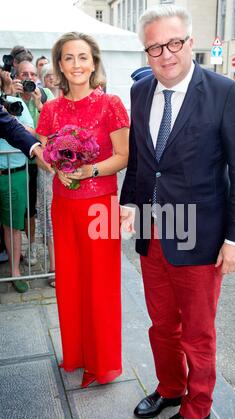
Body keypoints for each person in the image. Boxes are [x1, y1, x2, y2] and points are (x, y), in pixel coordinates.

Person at [120, 5, 235, 419]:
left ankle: (198, 408)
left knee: (198, 331)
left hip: (201, 237)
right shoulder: (141, 93)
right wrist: (128, 207)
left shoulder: (224, 93)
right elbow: (142, 162)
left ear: (190, 42)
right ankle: (171, 388)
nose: (166, 54)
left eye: (174, 43)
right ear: (147, 51)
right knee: (161, 324)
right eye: (155, 46)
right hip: (154, 233)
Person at [36, 32, 129, 388]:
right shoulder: (50, 109)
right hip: (64, 205)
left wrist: (89, 170)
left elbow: (123, 156)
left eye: (83, 57)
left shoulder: (112, 105)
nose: (77, 64)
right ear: (60, 64)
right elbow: (46, 155)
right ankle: (75, 353)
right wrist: (56, 166)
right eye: (69, 58)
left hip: (101, 205)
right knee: (71, 283)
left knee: (101, 286)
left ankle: (102, 361)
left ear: (94, 62)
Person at [14, 61, 54, 265]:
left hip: (43, 161)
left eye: (32, 74)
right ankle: (32, 245)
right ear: (17, 77)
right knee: (27, 207)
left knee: (46, 207)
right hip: (20, 161)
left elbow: (55, 124)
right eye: (24, 74)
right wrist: (12, 95)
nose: (28, 78)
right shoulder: (12, 96)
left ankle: (48, 251)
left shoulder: (45, 93)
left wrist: (41, 104)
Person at [0, 95, 34, 293]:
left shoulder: (15, 102)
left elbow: (32, 133)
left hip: (15, 175)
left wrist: (10, 121)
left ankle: (15, 272)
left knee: (12, 225)